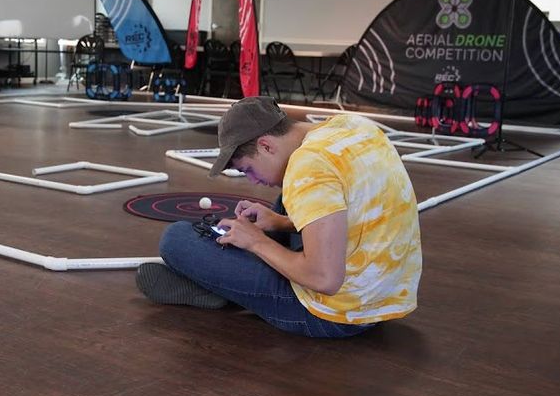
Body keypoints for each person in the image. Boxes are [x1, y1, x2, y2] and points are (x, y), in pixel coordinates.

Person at [135, 96, 421, 338]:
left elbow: (325, 279)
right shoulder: (353, 126)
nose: (254, 181)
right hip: (383, 297)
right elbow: (355, 211)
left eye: (247, 169)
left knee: (176, 239)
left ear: (266, 145)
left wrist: (257, 242)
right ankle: (231, 280)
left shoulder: (308, 166)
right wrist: (280, 222)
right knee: (286, 199)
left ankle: (223, 287)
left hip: (335, 314)